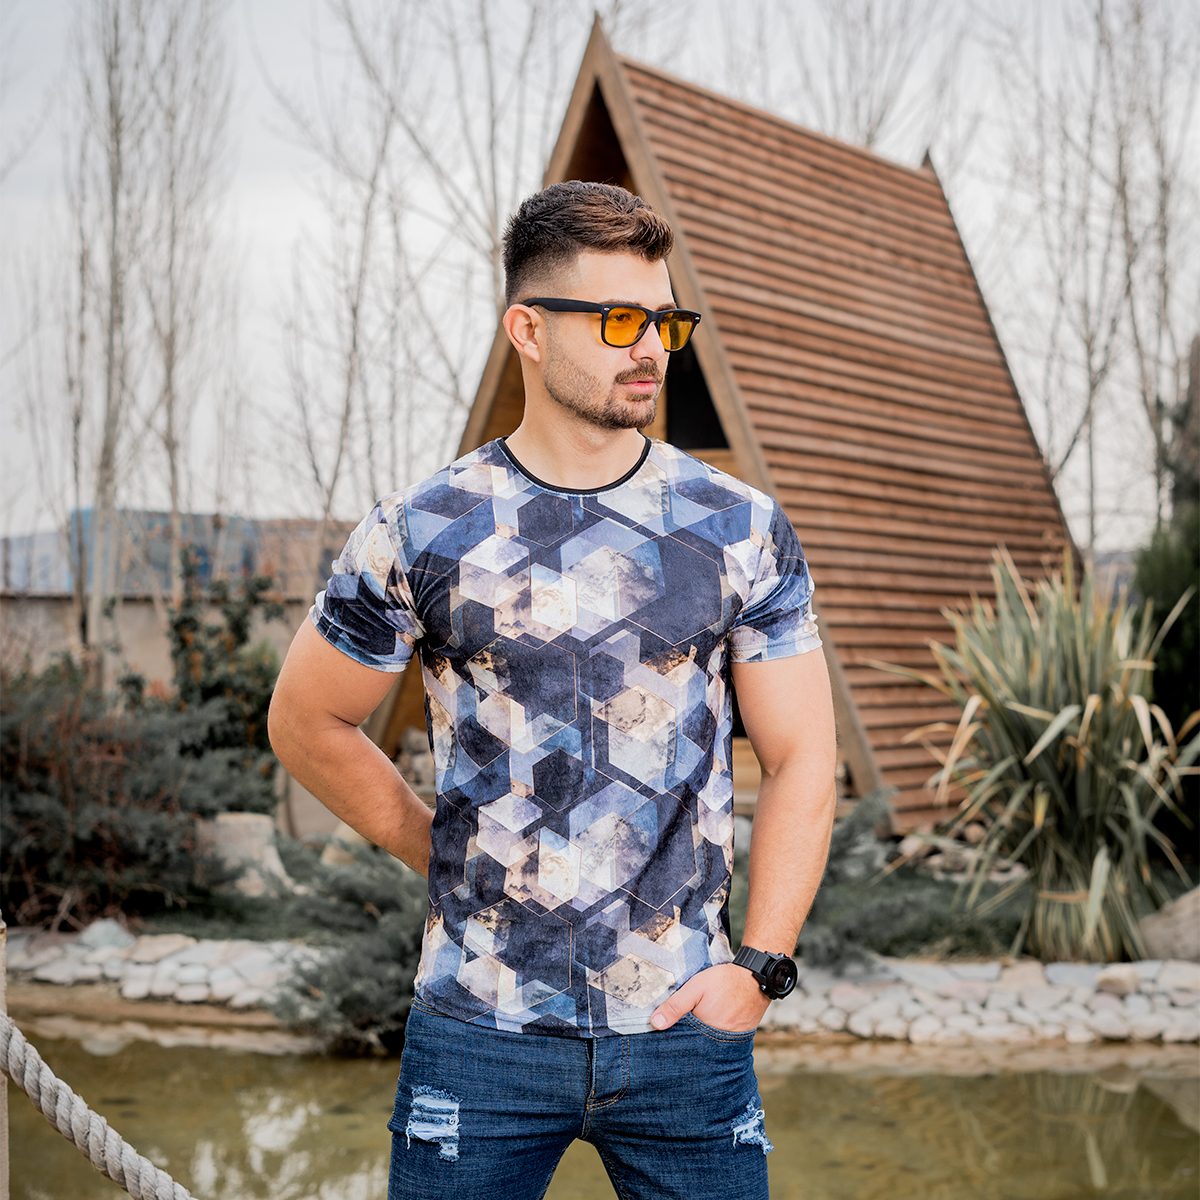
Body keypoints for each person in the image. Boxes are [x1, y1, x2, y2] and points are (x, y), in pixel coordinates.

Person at [268, 181, 837, 1200]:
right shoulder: (421, 529)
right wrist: (442, 854)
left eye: (665, 321)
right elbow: (308, 722)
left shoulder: (740, 528)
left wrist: (760, 969)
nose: (650, 347)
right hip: (478, 1030)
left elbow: (802, 757)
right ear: (527, 329)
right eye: (618, 320)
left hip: (683, 1031)